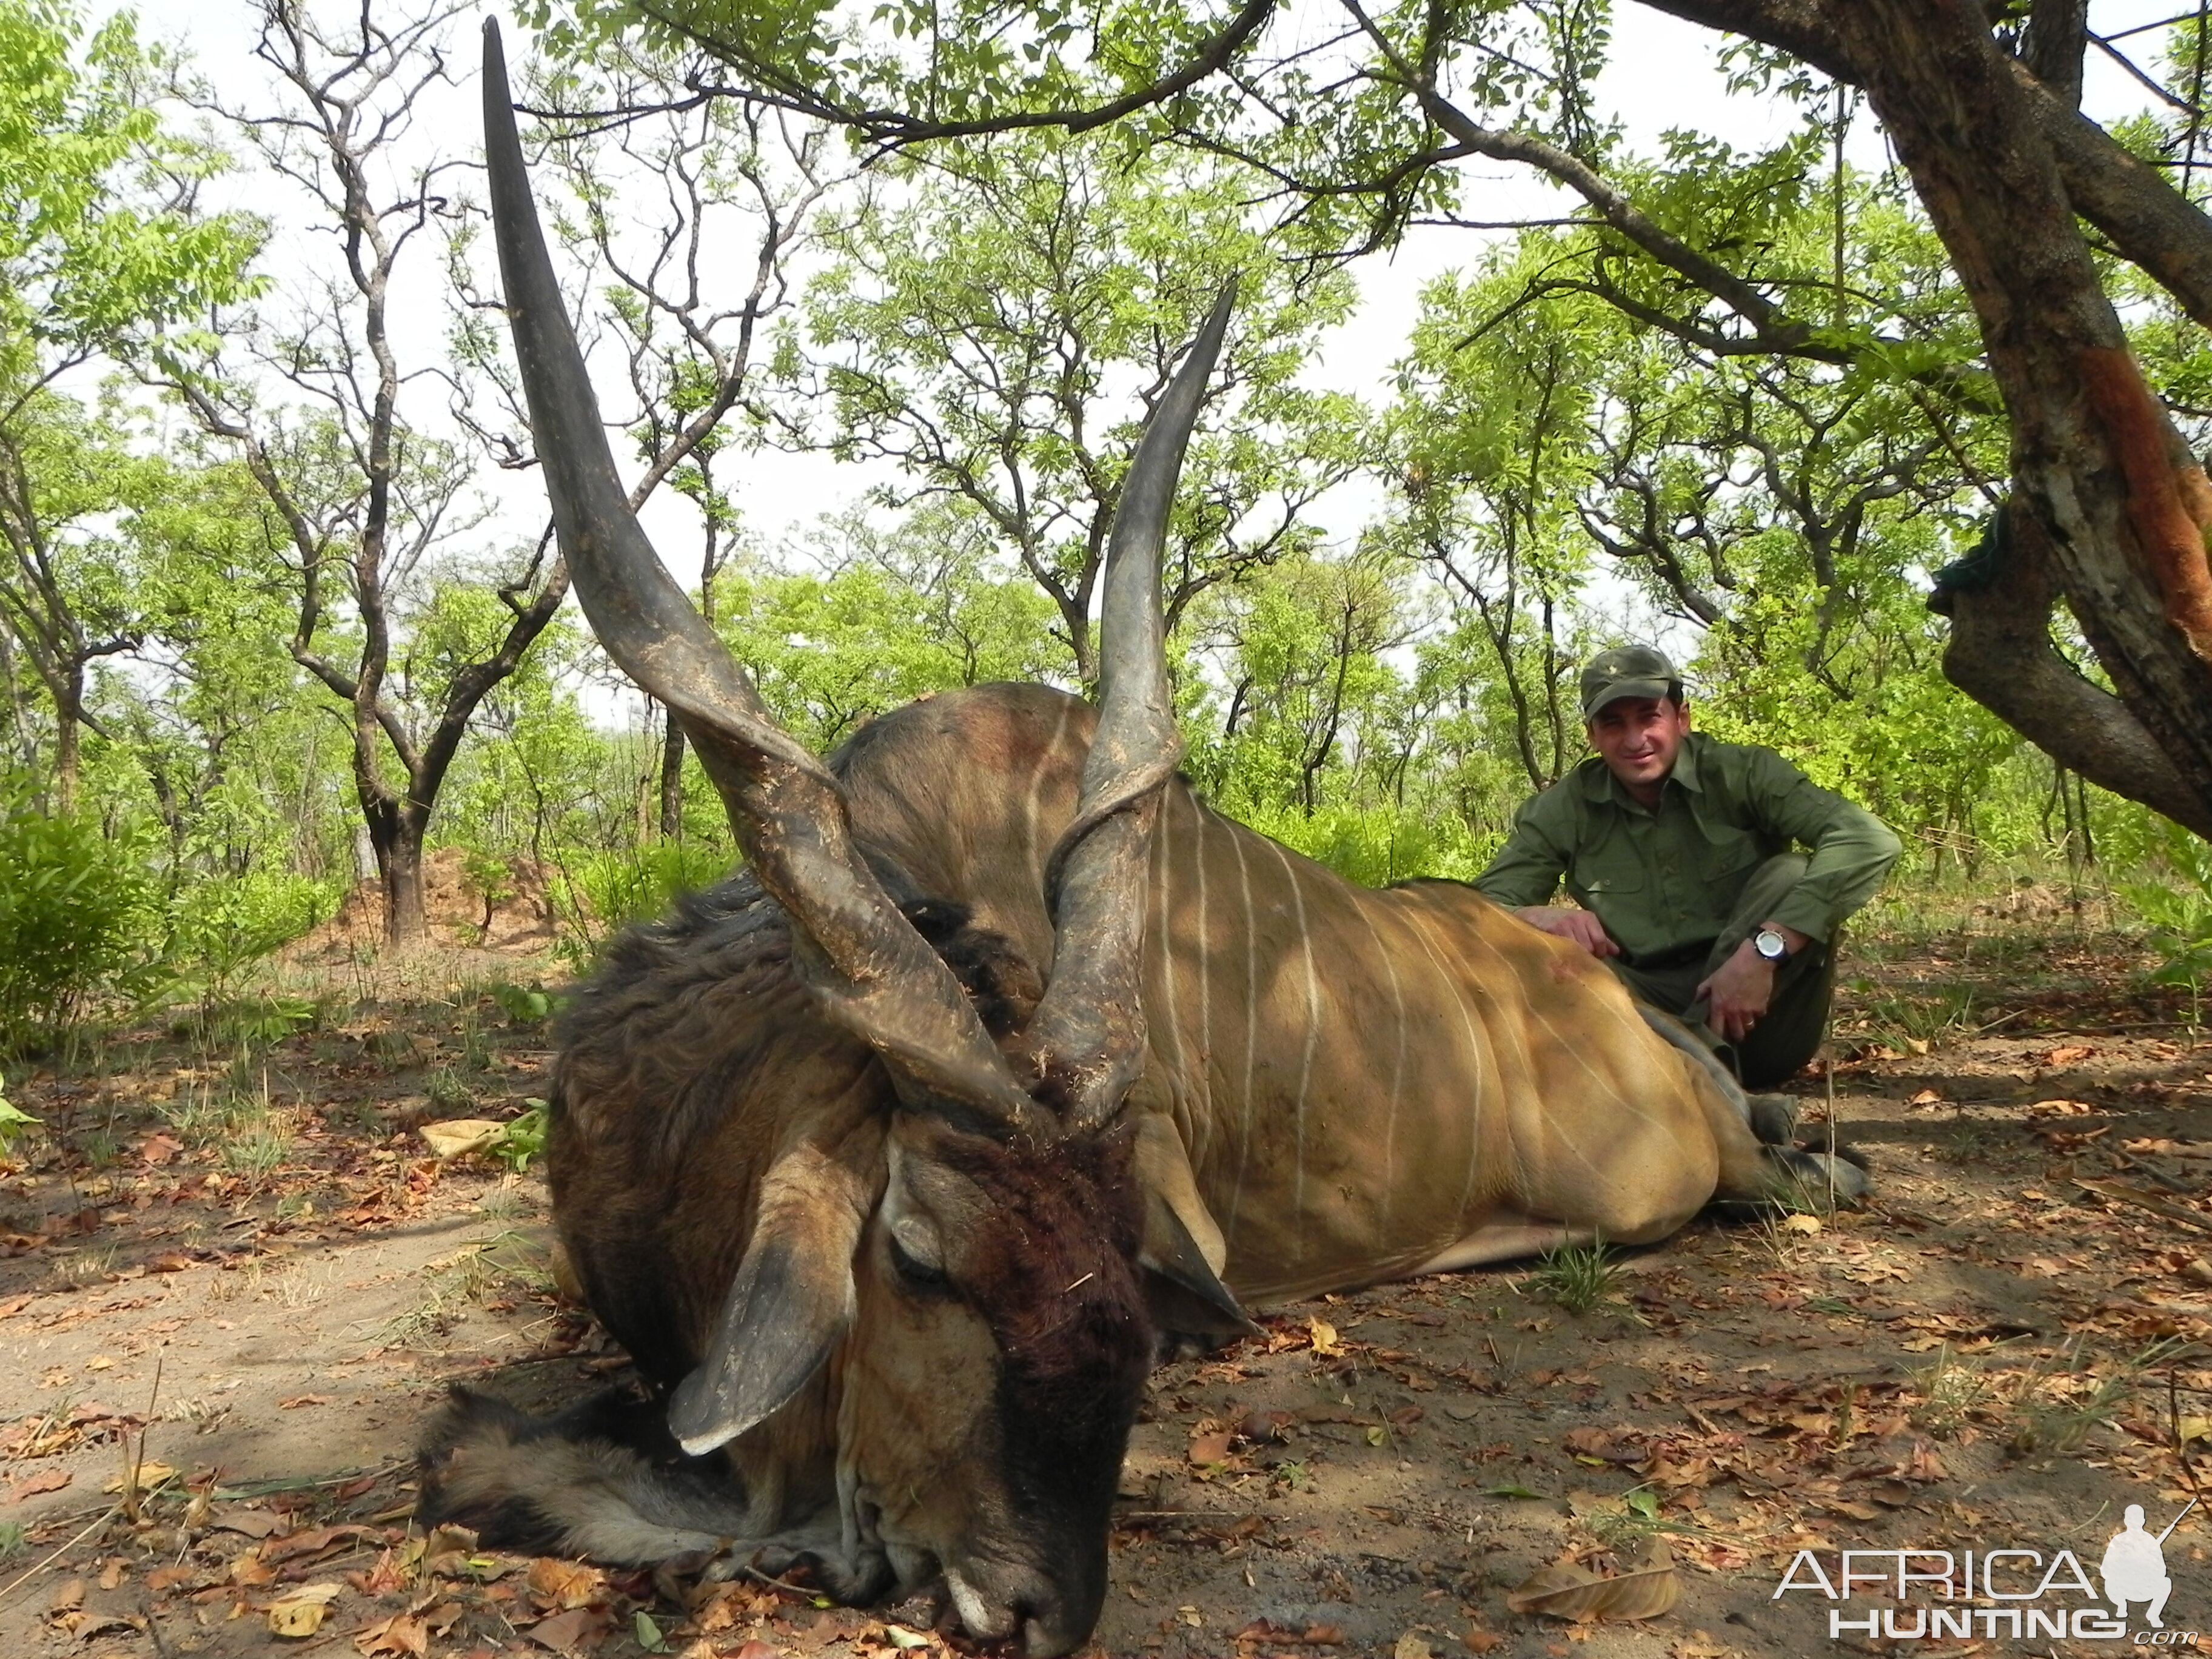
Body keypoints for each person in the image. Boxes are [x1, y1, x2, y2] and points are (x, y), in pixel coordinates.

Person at [1472, 645, 1901, 1088]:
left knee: (1789, 874)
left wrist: (1762, 953)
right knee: (1544, 956)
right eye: (1613, 723)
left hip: (1761, 1015)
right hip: (1643, 1014)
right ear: (1592, 736)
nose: (1634, 739)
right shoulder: (1564, 807)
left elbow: (1868, 840)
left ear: (1682, 719)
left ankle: (1691, 1082)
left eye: (1649, 716)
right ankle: (1695, 1081)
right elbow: (1469, 909)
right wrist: (1534, 917)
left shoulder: (1744, 773)